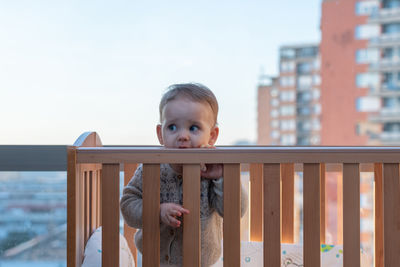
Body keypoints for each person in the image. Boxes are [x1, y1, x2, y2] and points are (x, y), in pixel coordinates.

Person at [120, 83, 248, 267]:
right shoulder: (151, 168)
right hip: (153, 259)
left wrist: (222, 178)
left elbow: (235, 212)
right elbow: (128, 206)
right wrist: (157, 210)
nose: (183, 136)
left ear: (212, 136)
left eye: (194, 128)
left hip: (202, 262)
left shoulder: (211, 170)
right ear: (160, 133)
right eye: (172, 127)